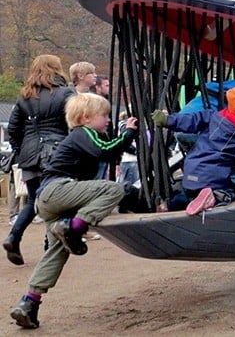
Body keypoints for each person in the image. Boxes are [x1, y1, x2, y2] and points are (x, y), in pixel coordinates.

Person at [9, 93, 138, 329]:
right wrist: (128, 132)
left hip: (52, 201)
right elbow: (106, 150)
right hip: (57, 191)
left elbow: (110, 149)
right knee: (113, 190)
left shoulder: (86, 135)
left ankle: (29, 303)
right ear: (86, 118)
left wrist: (125, 137)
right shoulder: (82, 133)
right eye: (104, 115)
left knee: (57, 253)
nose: (108, 120)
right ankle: (74, 227)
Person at [3, 55, 75, 266]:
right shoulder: (65, 93)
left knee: (35, 201)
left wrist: (21, 148)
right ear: (57, 68)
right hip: (56, 153)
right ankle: (49, 246)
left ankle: (14, 237)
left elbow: (14, 128)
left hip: (30, 155)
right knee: (56, 201)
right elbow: (73, 123)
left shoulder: (25, 96)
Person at [151, 86, 235, 214]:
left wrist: (167, 120)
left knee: (187, 194)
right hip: (214, 181)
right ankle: (216, 197)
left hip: (191, 171)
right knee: (232, 195)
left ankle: (169, 205)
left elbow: (190, 120)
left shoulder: (212, 116)